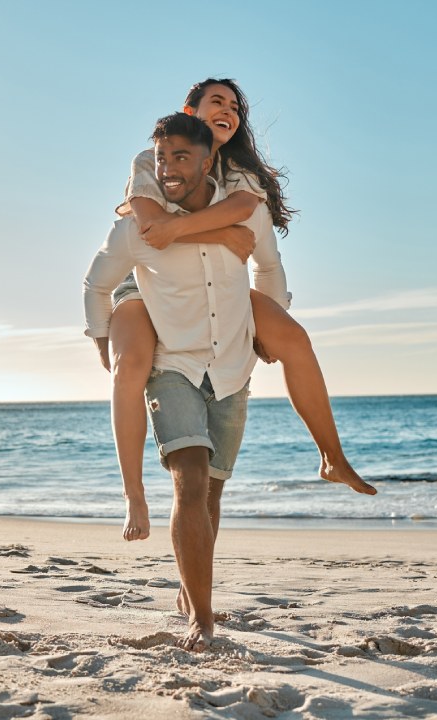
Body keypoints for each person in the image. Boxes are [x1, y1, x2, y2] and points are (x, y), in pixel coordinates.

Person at [105, 79, 375, 544]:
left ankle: (332, 457)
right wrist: (220, 232)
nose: (228, 110)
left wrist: (269, 320)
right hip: (150, 281)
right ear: (189, 110)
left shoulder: (241, 175)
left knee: (294, 339)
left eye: (235, 106)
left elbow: (261, 249)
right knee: (129, 365)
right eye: (217, 102)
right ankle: (134, 496)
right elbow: (152, 227)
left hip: (219, 288)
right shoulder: (153, 159)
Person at [83, 112, 256, 651]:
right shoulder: (137, 228)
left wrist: (267, 327)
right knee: (191, 479)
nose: (169, 169)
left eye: (181, 157)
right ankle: (202, 619)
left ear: (208, 162)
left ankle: (190, 588)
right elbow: (96, 284)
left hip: (229, 368)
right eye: (162, 159)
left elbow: (270, 269)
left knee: (212, 493)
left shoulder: (239, 215)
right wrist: (101, 341)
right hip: (172, 366)